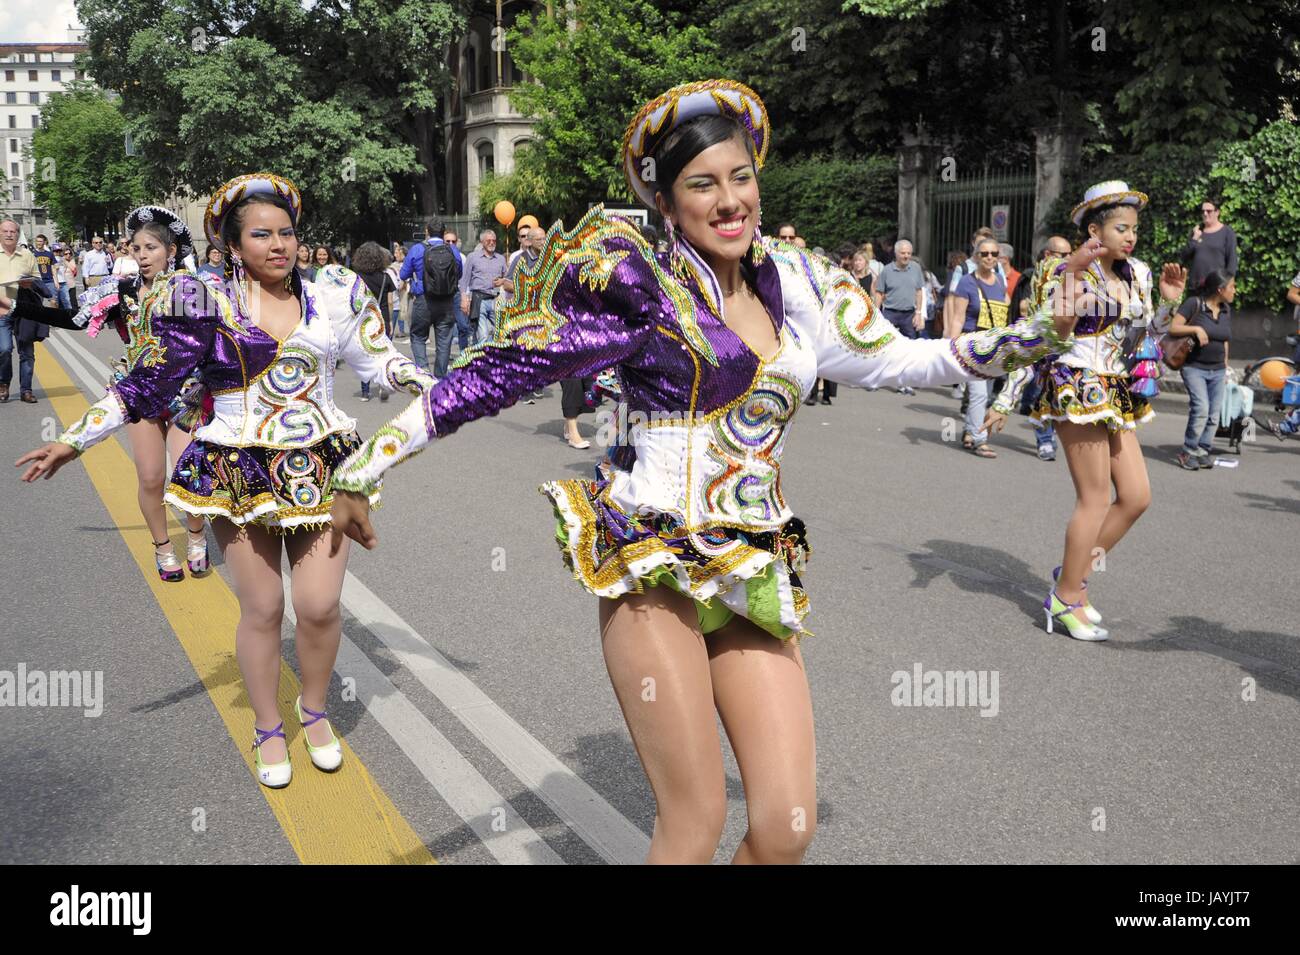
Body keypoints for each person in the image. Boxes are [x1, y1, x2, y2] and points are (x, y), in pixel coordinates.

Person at [326, 81, 1084, 863]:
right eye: (702, 184)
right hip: (655, 558)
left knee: (787, 827)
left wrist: (1041, 332)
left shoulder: (796, 281)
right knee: (693, 823)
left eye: (741, 177)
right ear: (663, 199)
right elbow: (491, 375)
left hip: (752, 562)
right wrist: (366, 466)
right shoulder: (635, 286)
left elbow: (902, 361)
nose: (730, 200)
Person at [18, 173, 438, 789]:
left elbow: (382, 362)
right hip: (234, 466)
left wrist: (439, 387)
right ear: (233, 247)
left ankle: (313, 710)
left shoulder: (335, 293)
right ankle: (269, 725)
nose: (279, 245)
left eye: (287, 233)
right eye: (261, 235)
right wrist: (73, 439)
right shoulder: (204, 302)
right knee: (264, 607)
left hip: (320, 465)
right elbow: (144, 384)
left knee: (319, 608)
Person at [985, 181, 1186, 641]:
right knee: (1094, 499)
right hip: (1075, 383)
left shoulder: (1139, 272)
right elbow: (1039, 334)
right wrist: (1005, 398)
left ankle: (1072, 573)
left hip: (1117, 387)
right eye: (1120, 228)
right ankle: (1066, 596)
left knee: (1136, 497)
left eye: (1134, 228)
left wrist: (1170, 302)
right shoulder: (1066, 269)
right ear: (1094, 229)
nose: (1130, 237)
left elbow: (1143, 336)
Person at [4, 205, 213, 577]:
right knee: (150, 476)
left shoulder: (187, 291)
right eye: (136, 248)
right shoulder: (121, 290)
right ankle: (163, 546)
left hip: (185, 396)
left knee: (187, 472)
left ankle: (196, 536)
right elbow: (73, 318)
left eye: (151, 248)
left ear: (169, 251)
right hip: (137, 394)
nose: (143, 255)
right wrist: (15, 305)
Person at [994, 235, 1074, 461]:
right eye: (1063, 254)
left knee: (1059, 394)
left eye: (1070, 253)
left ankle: (1032, 408)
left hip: (1065, 346)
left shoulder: (1074, 277)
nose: (1069, 258)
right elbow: (1019, 308)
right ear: (1048, 255)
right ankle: (1045, 440)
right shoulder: (1031, 278)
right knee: (1042, 391)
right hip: (1036, 343)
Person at [948, 237, 1011, 458]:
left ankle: (968, 432)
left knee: (985, 393)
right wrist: (952, 347)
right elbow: (958, 318)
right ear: (976, 256)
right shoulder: (966, 282)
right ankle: (978, 439)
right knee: (978, 394)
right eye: (984, 254)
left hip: (993, 347)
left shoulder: (1001, 282)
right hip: (972, 345)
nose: (990, 258)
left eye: (994, 254)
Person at [1169, 269, 1234, 469]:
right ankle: (1188, 451)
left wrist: (1225, 365)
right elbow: (1174, 327)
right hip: (1194, 367)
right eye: (1232, 287)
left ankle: (1203, 449)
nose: (1235, 291)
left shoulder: (1226, 310)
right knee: (1201, 409)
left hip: (1218, 370)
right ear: (1220, 289)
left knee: (1214, 414)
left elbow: (1224, 339)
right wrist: (1196, 329)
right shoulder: (1193, 304)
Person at [400, 218, 463, 376]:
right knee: (444, 340)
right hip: (446, 300)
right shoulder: (452, 250)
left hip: (423, 299)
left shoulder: (417, 249)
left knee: (418, 336)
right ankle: (440, 378)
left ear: (427, 231)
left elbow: (403, 274)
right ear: (444, 232)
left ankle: (423, 371)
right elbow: (459, 274)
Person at [0, 217, 41, 403]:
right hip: (1, 312)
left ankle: (26, 390)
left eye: (13, 231)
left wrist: (29, 283)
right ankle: (3, 384)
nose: (9, 234)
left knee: (27, 353)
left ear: (18, 234)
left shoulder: (27, 255)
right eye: (5, 231)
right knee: (4, 349)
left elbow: (37, 279)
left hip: (24, 311)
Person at [351, 241, 397, 402]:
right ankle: (383, 385)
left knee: (365, 355)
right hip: (382, 317)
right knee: (382, 353)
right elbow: (390, 302)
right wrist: (389, 321)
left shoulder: (356, 278)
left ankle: (365, 391)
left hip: (364, 319)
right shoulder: (386, 278)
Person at [459, 227, 508, 344]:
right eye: (488, 241)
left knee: (500, 333)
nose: (492, 243)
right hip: (478, 299)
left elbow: (508, 278)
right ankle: (482, 360)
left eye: (494, 241)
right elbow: (464, 279)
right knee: (483, 335)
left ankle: (493, 358)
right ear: (482, 242)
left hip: (496, 299)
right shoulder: (473, 257)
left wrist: (503, 281)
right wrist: (464, 299)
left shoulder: (501, 259)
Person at [1180, 197, 1238, 291]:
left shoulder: (1227, 232)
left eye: (1209, 211)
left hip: (1217, 287)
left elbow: (1232, 261)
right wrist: (1194, 239)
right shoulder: (1197, 231)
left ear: (1217, 212)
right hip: (1196, 287)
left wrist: (1227, 284)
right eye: (1203, 211)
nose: (1205, 214)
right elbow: (1184, 256)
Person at [387, 243, 408, 339]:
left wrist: (401, 286)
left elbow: (405, 278)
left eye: (397, 253)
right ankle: (400, 330)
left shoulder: (406, 264)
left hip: (403, 291)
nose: (395, 255)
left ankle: (402, 330)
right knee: (397, 309)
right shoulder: (393, 265)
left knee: (402, 310)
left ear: (402, 254)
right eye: (394, 252)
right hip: (395, 291)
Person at [31, 234, 56, 302]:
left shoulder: (49, 253)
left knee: (53, 301)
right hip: (37, 281)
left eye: (40, 241)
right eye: (37, 241)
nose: (38, 243)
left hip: (49, 280)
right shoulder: (32, 254)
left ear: (44, 242)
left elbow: (53, 267)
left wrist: (56, 281)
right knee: (38, 302)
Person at [54, 245, 77, 310]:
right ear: (62, 254)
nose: (68, 255)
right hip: (62, 285)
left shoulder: (71, 261)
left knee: (73, 302)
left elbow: (73, 268)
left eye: (69, 253)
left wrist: (64, 261)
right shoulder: (58, 261)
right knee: (62, 304)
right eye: (66, 254)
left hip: (71, 285)